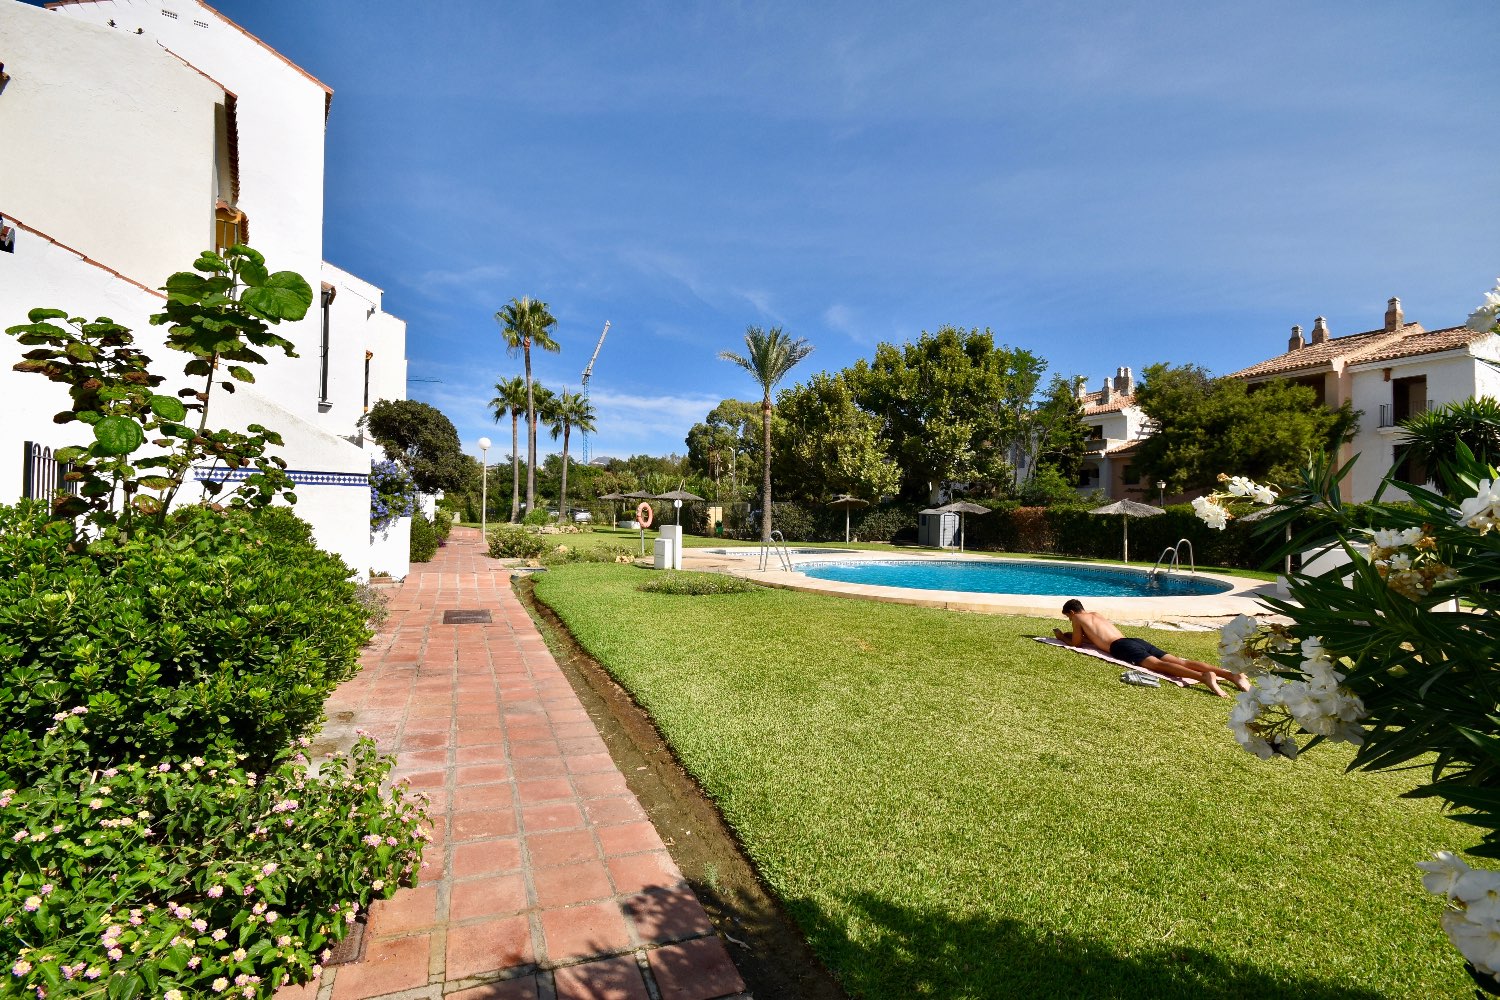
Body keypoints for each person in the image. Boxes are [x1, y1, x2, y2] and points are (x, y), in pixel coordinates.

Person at [1053, 598, 1251, 697]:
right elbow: (1093, 637)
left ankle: (1203, 677)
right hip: (1134, 640)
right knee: (1179, 661)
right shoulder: (1095, 614)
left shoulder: (1077, 618)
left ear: (1072, 612)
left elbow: (1077, 643)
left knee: (1156, 666)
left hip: (1120, 647)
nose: (1070, 619)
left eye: (1068, 616)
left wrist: (1062, 637)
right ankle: (1231, 675)